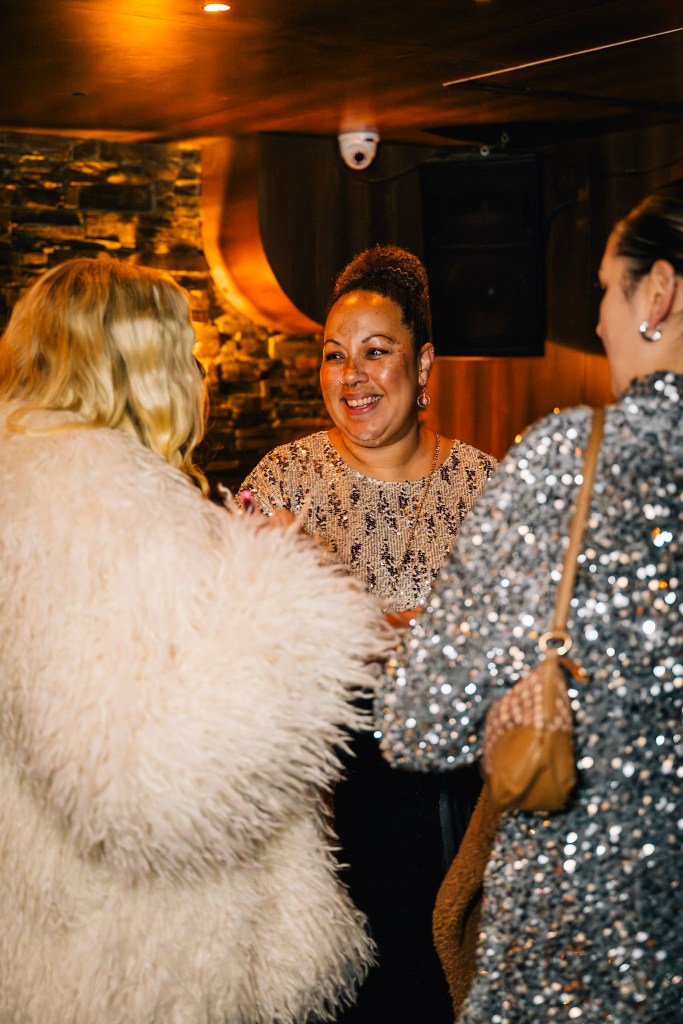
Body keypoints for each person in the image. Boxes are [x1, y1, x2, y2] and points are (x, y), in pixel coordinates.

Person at [0, 256, 393, 1024]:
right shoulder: (115, 509)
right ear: (143, 366)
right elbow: (152, 780)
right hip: (137, 962)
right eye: (184, 354)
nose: (196, 373)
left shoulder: (27, 483)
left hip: (43, 930)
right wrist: (286, 589)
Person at [377, 180, 683, 1023]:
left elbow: (415, 721)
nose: (598, 324)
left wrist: (510, 701)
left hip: (581, 951)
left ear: (658, 292)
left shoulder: (569, 462)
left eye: (604, 291)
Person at [241, 245, 498, 1021]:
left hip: (456, 808)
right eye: (334, 355)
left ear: (423, 366)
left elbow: (524, 651)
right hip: (321, 817)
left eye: (375, 352)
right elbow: (233, 657)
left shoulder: (487, 488)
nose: (351, 375)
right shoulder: (279, 483)